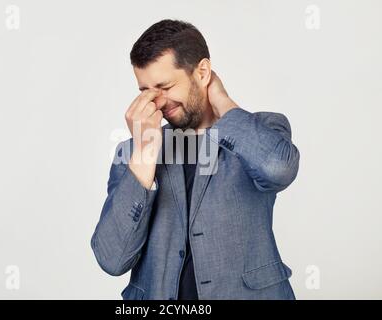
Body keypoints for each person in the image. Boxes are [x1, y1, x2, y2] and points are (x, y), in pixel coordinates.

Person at [91, 19, 300, 300]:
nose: (158, 102)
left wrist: (223, 103)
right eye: (145, 91)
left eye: (165, 86)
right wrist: (144, 154)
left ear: (202, 72)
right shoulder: (132, 152)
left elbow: (279, 168)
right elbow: (112, 259)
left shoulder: (260, 130)